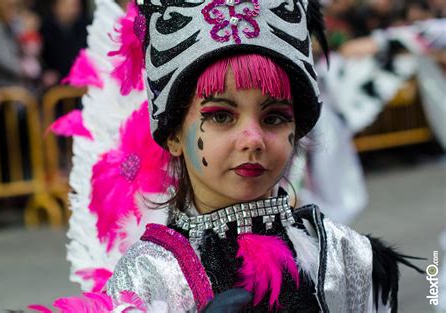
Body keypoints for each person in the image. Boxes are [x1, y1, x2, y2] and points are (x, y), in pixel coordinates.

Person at [30, 1, 422, 312]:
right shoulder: (147, 278)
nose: (253, 138)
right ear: (173, 136)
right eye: (220, 115)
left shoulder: (345, 256)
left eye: (274, 117)